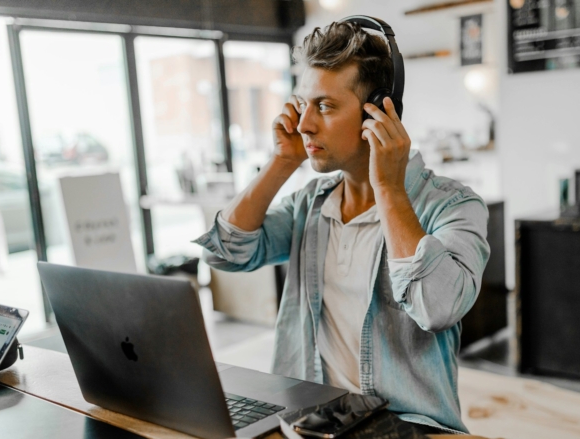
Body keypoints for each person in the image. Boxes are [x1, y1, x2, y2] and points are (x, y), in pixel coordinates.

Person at [193, 20, 489, 434]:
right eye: (302, 104)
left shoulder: (453, 206)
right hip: (307, 421)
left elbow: (436, 308)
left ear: (380, 112)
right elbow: (223, 252)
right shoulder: (310, 205)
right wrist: (282, 163)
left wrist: (388, 185)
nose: (304, 125)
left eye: (326, 107)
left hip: (405, 428)